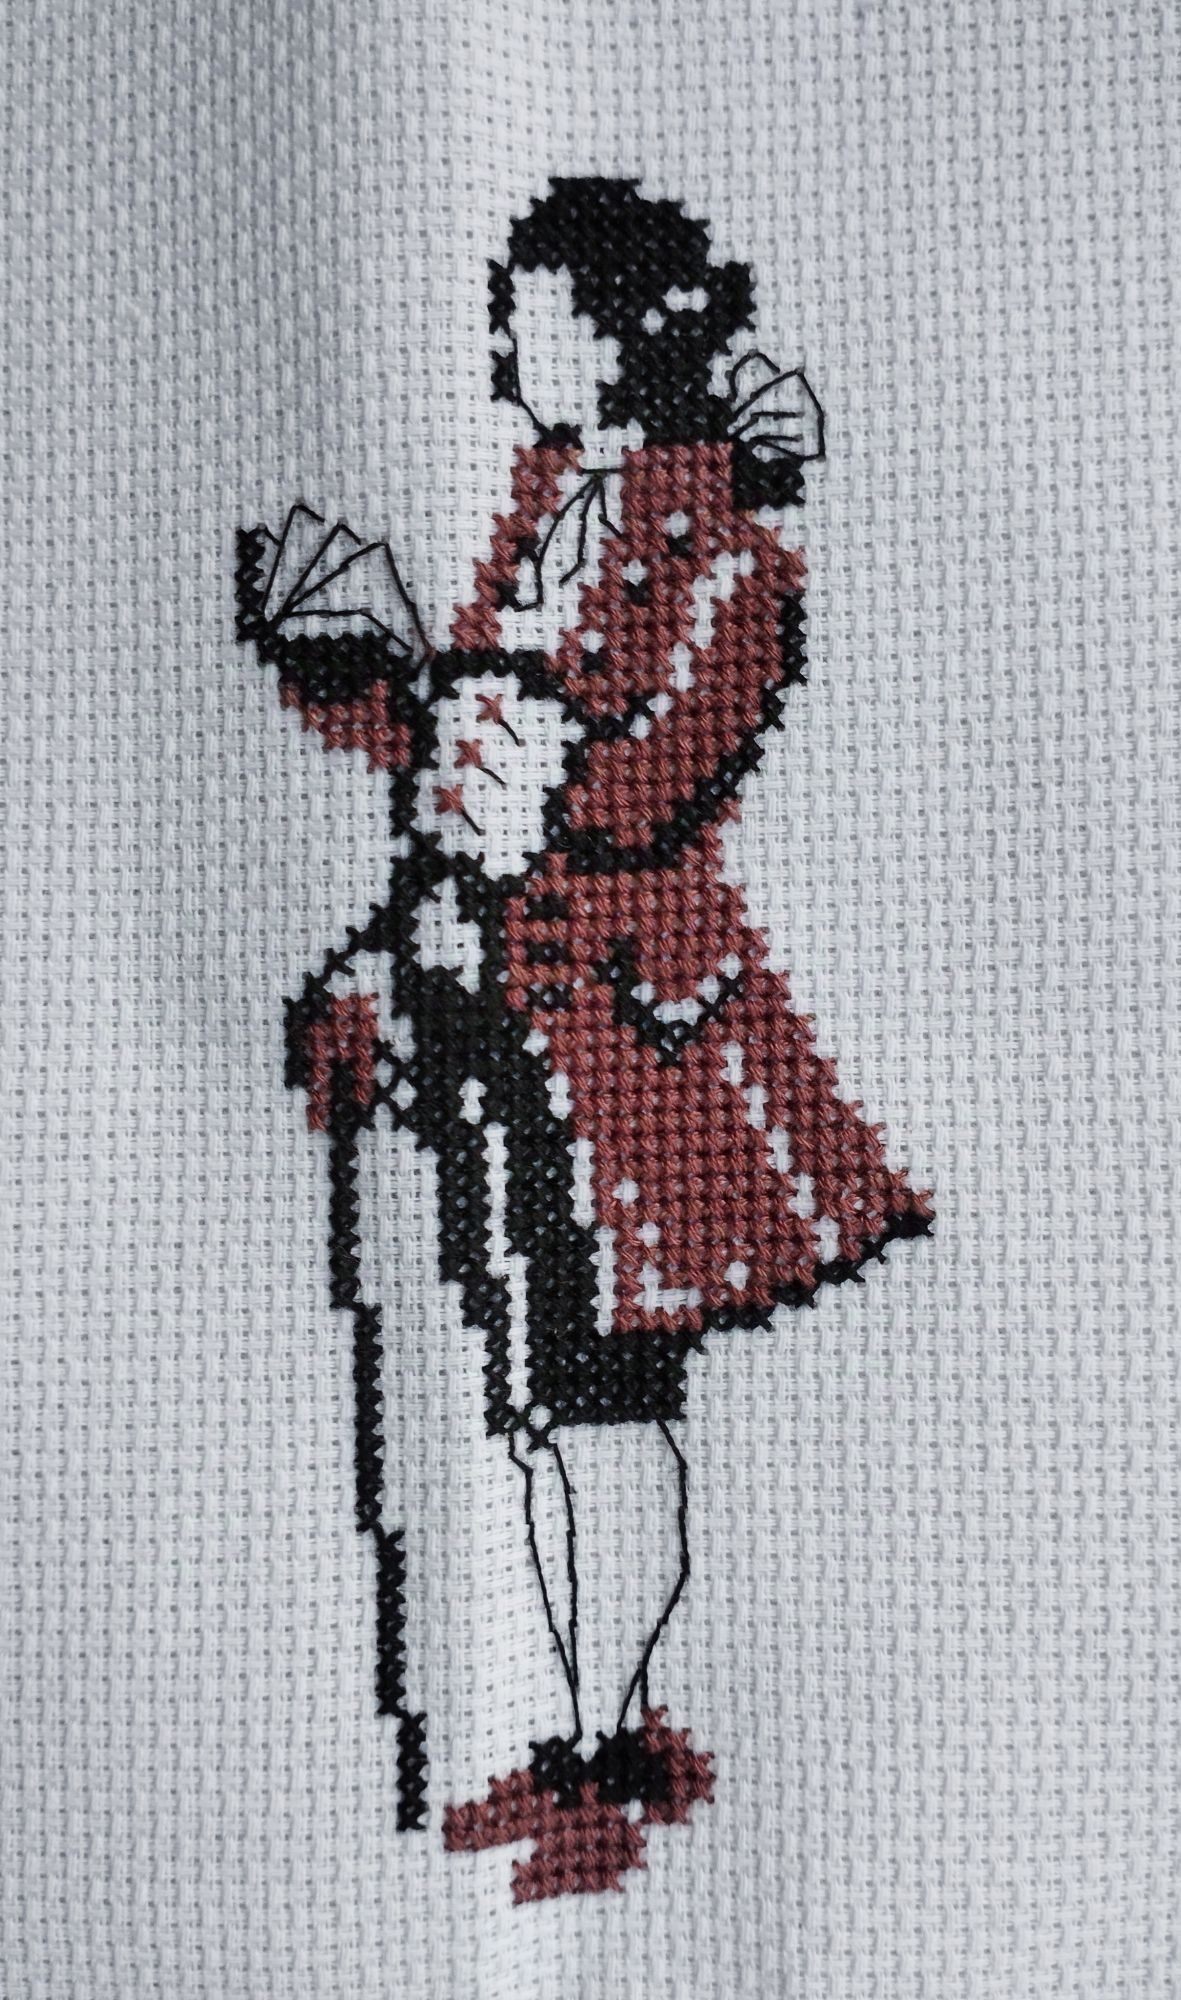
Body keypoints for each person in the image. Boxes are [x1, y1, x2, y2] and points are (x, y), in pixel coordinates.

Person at [239, 177, 932, 1902]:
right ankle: (580, 1740)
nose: (503, 351)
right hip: (498, 1020)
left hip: (634, 1054)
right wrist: (365, 684)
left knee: (598, 1396)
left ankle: (604, 1749)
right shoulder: (548, 510)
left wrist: (470, 724)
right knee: (533, 1396)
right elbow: (466, 778)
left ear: (620, 337)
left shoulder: (720, 554)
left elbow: (639, 781)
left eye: (530, 318)